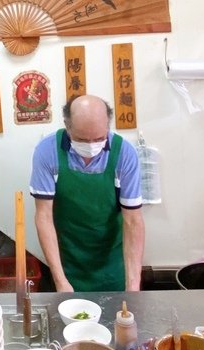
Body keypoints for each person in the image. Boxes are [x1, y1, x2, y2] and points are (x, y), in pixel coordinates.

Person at [30, 94, 145, 292]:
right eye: (82, 139)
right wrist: (60, 280)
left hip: (112, 263)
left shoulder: (125, 153)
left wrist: (133, 286)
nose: (92, 145)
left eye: (99, 138)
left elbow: (133, 220)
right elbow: (44, 216)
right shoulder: (47, 151)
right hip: (67, 260)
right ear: (67, 126)